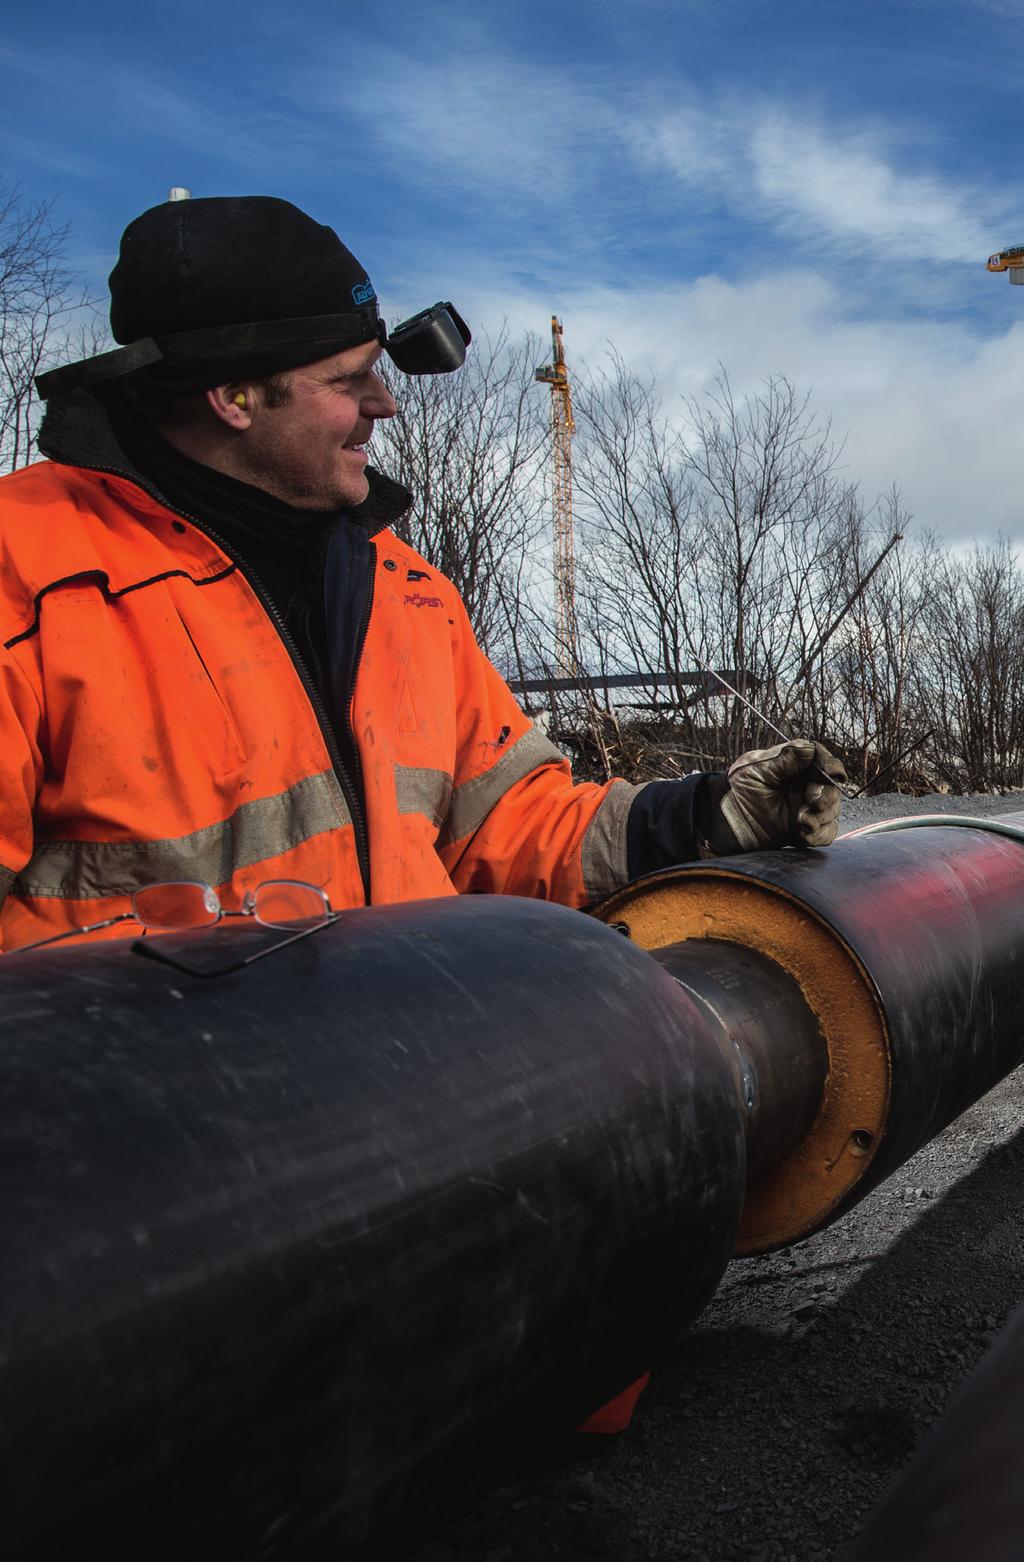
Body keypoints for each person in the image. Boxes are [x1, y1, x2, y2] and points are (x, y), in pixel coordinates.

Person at [0, 194, 845, 1431]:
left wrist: (696, 819)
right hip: (162, 1237)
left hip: (427, 1166)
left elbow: (514, 827)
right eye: (349, 379)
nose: (388, 405)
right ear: (236, 396)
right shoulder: (33, 580)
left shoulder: (404, 591)